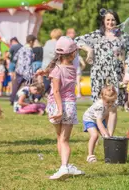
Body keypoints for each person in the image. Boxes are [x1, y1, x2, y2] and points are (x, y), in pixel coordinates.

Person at [74, 9, 129, 136]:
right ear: (103, 21)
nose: (111, 22)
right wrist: (89, 49)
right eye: (108, 19)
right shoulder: (97, 35)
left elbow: (127, 57)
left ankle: (109, 136)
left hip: (115, 74)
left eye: (113, 19)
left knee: (113, 106)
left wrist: (126, 75)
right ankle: (102, 133)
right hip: (98, 75)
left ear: (117, 21)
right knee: (100, 106)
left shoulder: (123, 37)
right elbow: (77, 40)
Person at [39, 36, 85, 180]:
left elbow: (57, 91)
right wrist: (45, 72)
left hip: (56, 105)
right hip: (69, 106)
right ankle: (65, 166)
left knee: (60, 138)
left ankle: (64, 167)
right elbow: (59, 73)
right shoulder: (72, 68)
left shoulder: (56, 69)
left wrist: (59, 110)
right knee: (64, 139)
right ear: (73, 54)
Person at [83, 85, 117, 163]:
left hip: (102, 118)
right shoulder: (99, 106)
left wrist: (109, 133)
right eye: (108, 102)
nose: (110, 104)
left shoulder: (113, 105)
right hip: (90, 119)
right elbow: (99, 122)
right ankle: (90, 155)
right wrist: (105, 134)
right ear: (102, 98)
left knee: (107, 136)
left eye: (112, 101)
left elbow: (111, 117)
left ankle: (109, 155)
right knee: (95, 135)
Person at [9, 35, 36, 104]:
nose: (34, 44)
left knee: (16, 86)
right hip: (27, 71)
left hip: (19, 70)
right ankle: (30, 100)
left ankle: (12, 100)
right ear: (31, 42)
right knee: (30, 86)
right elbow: (31, 60)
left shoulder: (21, 48)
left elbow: (14, 58)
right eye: (33, 42)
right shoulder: (30, 50)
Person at [41, 29, 63, 94]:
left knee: (46, 82)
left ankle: (45, 95)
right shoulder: (58, 43)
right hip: (53, 66)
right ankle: (38, 96)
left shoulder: (47, 42)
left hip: (44, 64)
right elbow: (56, 55)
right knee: (53, 83)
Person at [66, 28, 86, 98]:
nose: (74, 34)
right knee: (70, 80)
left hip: (75, 64)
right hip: (70, 64)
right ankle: (69, 93)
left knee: (77, 80)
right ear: (68, 33)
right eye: (73, 33)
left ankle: (78, 93)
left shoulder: (75, 41)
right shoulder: (67, 41)